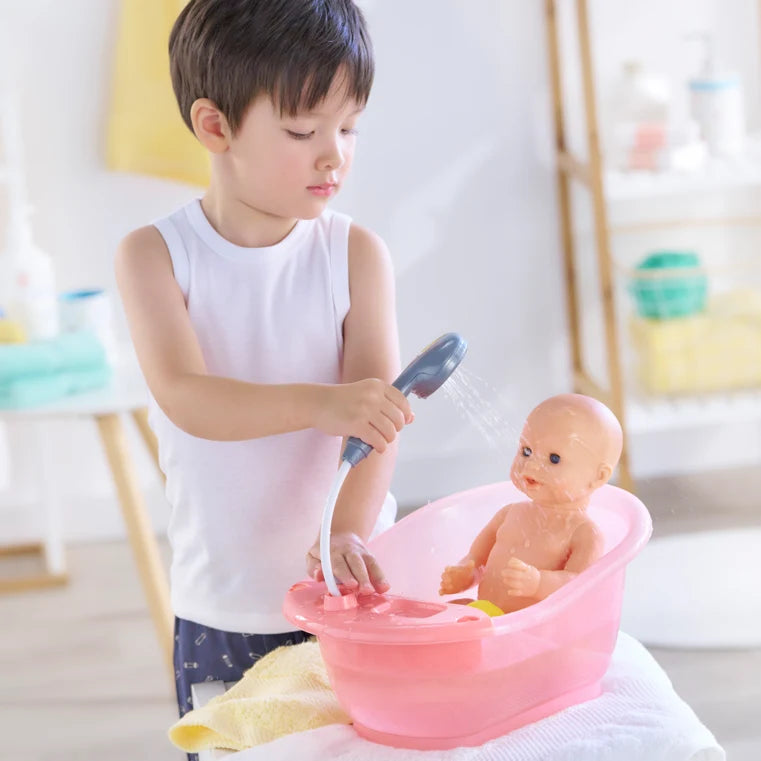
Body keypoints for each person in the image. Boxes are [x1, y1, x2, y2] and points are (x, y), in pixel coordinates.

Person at [114, 0, 413, 738]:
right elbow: (190, 398)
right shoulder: (155, 257)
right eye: (303, 130)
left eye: (348, 128)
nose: (333, 155)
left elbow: (380, 417)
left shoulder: (355, 255)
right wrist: (322, 404)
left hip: (347, 596)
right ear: (215, 127)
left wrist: (346, 533)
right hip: (226, 603)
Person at [439, 394, 623, 616]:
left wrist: (539, 583)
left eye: (554, 459)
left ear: (598, 477)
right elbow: (476, 560)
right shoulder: (509, 514)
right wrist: (465, 574)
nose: (531, 465)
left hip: (537, 630)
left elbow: (579, 586)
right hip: (489, 616)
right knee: (447, 613)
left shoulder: (584, 534)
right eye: (526, 451)